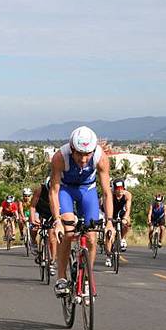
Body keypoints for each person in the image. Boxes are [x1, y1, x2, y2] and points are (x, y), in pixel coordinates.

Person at [49, 126, 115, 297]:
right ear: (72, 150)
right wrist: (57, 221)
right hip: (66, 190)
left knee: (92, 237)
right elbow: (54, 191)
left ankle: (86, 276)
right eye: (79, 154)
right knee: (68, 233)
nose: (84, 159)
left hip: (88, 191)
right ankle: (62, 278)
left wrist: (109, 222)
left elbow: (107, 192)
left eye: (88, 154)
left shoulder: (101, 158)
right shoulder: (59, 157)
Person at [30, 177, 58, 275]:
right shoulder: (40, 189)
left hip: (52, 213)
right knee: (34, 227)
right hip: (40, 211)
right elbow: (33, 206)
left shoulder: (60, 190)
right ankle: (33, 241)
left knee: (52, 238)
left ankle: (52, 262)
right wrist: (33, 219)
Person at [104, 178, 132, 267]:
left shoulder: (127, 195)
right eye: (117, 189)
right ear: (114, 189)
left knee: (127, 222)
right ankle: (108, 256)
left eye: (121, 188)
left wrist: (125, 218)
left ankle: (122, 238)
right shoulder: (110, 195)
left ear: (124, 188)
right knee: (109, 234)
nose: (119, 191)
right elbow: (105, 208)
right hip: (110, 213)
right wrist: (109, 221)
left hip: (121, 212)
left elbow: (128, 209)